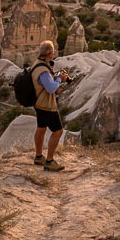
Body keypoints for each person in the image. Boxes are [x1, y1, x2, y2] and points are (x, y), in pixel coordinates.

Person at [31, 40, 70, 171]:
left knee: (41, 128)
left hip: (38, 103)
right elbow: (51, 88)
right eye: (52, 52)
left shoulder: (37, 64)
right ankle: (49, 161)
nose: (53, 54)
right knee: (58, 131)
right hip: (47, 105)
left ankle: (38, 157)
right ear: (49, 54)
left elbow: (46, 86)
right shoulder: (43, 70)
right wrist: (59, 79)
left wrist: (55, 82)